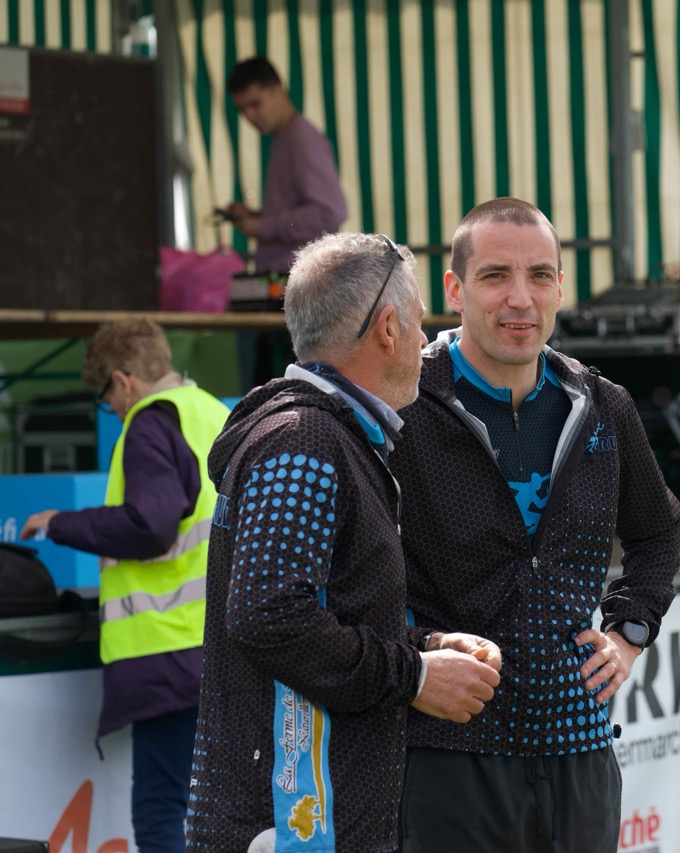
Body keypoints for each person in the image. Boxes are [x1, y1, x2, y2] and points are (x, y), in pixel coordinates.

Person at [184, 233, 502, 852]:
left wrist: (426, 644)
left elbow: (327, 610)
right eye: (418, 323)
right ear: (388, 328)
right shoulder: (304, 438)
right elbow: (269, 617)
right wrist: (415, 676)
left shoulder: (327, 435)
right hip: (290, 825)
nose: (424, 342)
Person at [390, 198, 680, 853]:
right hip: (445, 747)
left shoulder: (603, 404)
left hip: (577, 748)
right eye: (496, 276)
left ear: (560, 288)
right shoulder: (402, 404)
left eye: (540, 276)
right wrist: (413, 659)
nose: (520, 299)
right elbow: (349, 567)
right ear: (455, 290)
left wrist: (630, 632)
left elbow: (657, 530)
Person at [20, 318, 231, 853]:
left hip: (170, 653)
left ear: (123, 380)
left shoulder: (149, 423)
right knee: (215, 813)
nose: (112, 410)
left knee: (162, 811)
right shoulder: (213, 413)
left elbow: (149, 526)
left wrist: (60, 523)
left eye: (106, 398)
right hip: (225, 646)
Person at [222, 57, 347, 274]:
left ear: (279, 89)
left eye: (255, 104)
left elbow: (330, 213)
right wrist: (255, 216)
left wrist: (263, 226)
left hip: (301, 279)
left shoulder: (302, 139)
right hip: (287, 277)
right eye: (242, 110)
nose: (249, 116)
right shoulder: (284, 137)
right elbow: (293, 210)